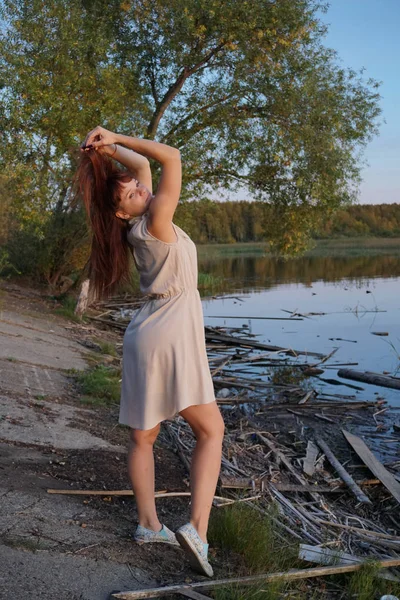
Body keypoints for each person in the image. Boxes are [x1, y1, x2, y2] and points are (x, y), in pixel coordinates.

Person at [75, 126, 225, 577]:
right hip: (172, 332)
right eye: (134, 193)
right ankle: (197, 530)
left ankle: (148, 525)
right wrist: (117, 135)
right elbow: (171, 158)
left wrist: (107, 148)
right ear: (123, 213)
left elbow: (143, 165)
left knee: (143, 437)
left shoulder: (133, 228)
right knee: (211, 432)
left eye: (142, 187)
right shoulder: (157, 221)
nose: (144, 189)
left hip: (144, 331)